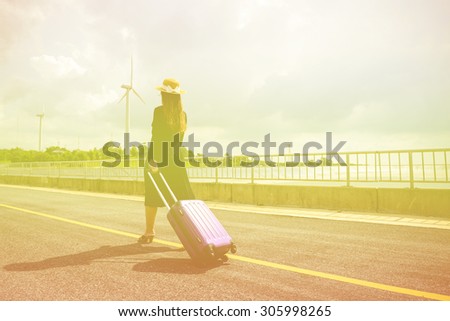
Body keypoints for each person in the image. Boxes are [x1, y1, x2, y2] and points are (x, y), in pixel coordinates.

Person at [138, 78, 195, 244]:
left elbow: (156, 137)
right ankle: (192, 235)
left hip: (158, 157)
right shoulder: (182, 115)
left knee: (152, 195)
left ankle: (149, 232)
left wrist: (153, 160)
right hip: (176, 159)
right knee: (182, 198)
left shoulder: (158, 111)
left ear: (163, 95)